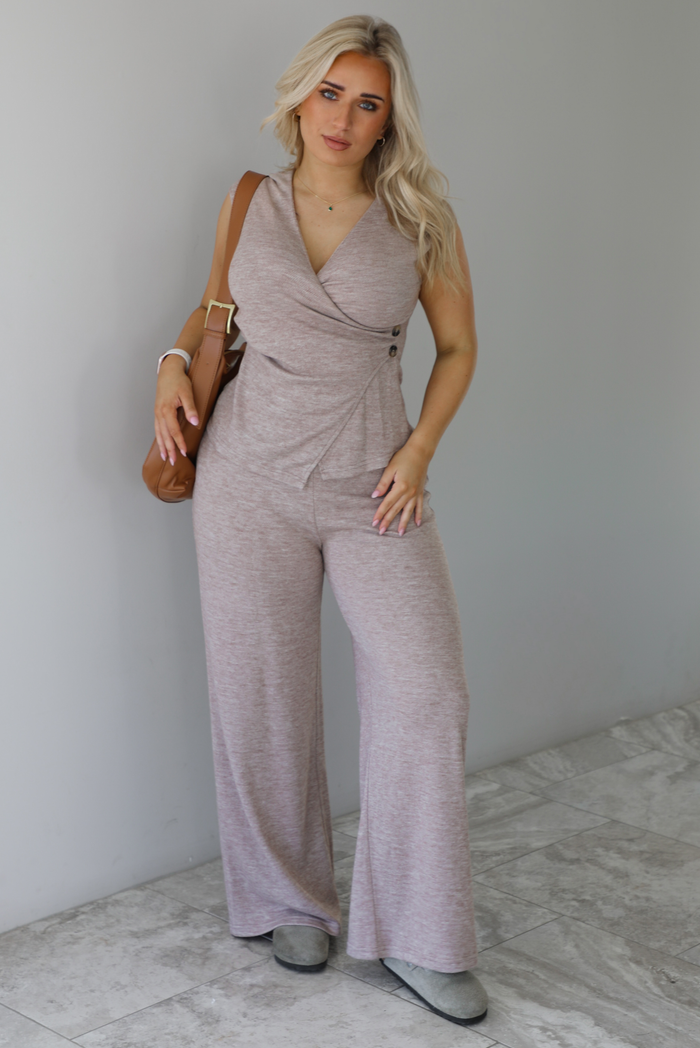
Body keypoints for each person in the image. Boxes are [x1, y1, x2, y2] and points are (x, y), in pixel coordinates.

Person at [152, 15, 487, 1028]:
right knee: (261, 691)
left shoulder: (418, 213)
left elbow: (459, 347)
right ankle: (285, 896)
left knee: (425, 690)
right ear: (301, 95)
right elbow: (213, 313)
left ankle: (422, 937)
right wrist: (168, 367)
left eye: (368, 101)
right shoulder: (248, 198)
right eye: (330, 93)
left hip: (371, 482)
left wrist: (419, 451)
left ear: (391, 119)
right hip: (245, 477)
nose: (343, 117)